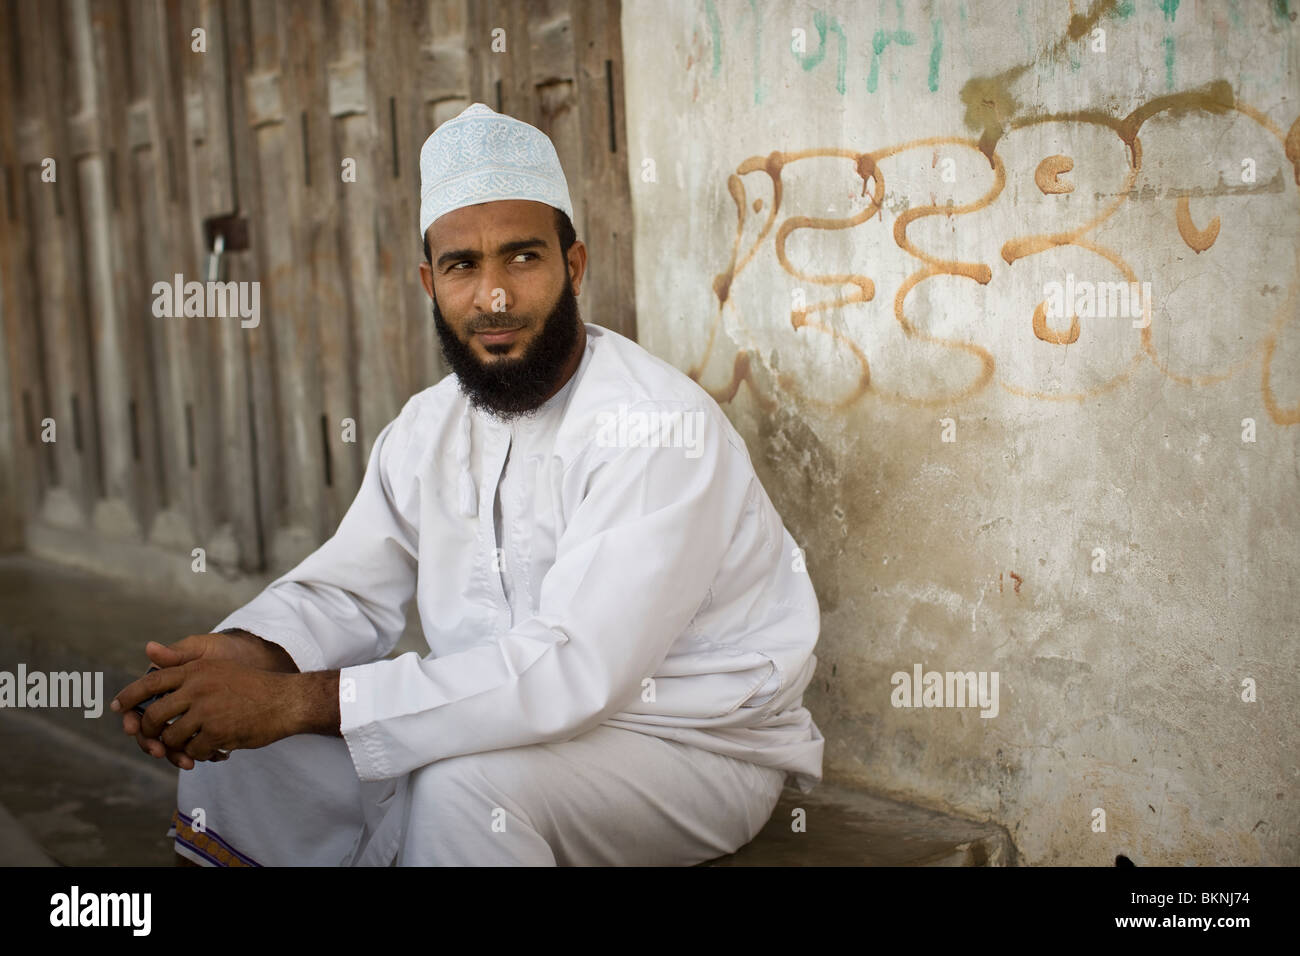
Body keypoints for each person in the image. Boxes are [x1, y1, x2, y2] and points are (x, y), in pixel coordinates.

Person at [111, 103, 823, 866]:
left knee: (464, 791)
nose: (493, 296)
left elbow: (573, 668)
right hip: (499, 719)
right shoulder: (428, 427)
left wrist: (294, 701)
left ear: (573, 266)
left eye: (522, 257)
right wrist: (235, 662)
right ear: (430, 281)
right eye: (462, 266)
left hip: (684, 745)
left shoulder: (652, 427)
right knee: (250, 754)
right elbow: (345, 592)